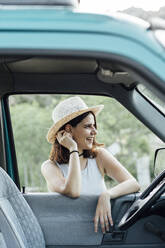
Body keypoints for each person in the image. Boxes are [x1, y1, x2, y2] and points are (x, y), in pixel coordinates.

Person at [41, 96, 140, 234]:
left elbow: (133, 183)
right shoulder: (50, 167)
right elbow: (73, 191)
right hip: (67, 237)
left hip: (99, 237)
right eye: (88, 126)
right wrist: (73, 149)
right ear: (68, 130)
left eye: (94, 126)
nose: (95, 131)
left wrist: (107, 195)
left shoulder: (99, 156)